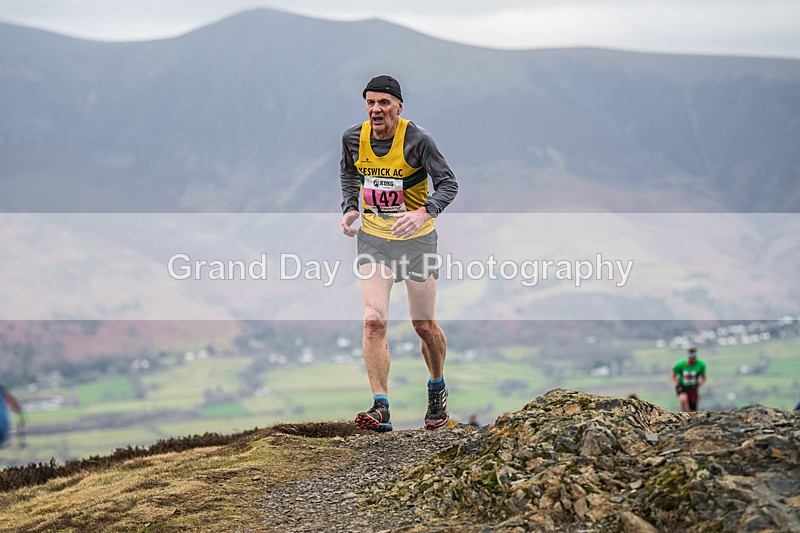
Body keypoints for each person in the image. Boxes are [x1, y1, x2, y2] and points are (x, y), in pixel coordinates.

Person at [340, 74, 458, 432]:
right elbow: (349, 175)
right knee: (373, 320)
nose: (376, 109)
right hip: (374, 240)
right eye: (370, 103)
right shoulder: (352, 138)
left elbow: (449, 183)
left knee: (423, 325)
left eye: (384, 103)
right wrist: (350, 208)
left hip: (417, 241)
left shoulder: (417, 140)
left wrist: (422, 213)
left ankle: (436, 387)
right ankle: (381, 407)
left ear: (398, 107)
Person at [671, 347, 707, 412]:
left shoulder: (700, 364)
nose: (693, 358)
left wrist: (699, 383)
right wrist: (676, 382)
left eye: (694, 356)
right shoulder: (680, 364)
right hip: (682, 386)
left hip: (693, 388)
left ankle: (689, 416)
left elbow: (703, 378)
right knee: (683, 398)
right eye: (691, 356)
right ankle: (684, 414)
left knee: (692, 409)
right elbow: (673, 375)